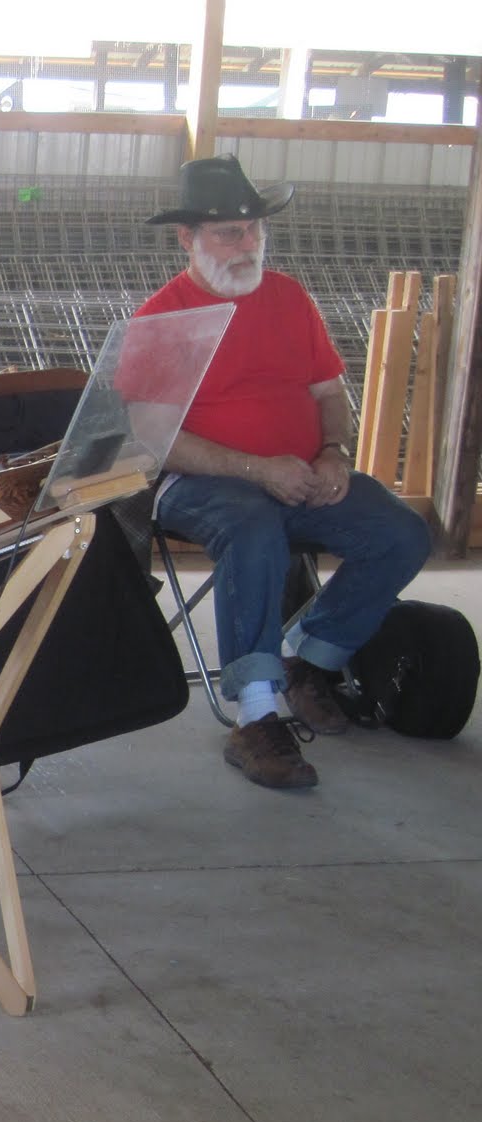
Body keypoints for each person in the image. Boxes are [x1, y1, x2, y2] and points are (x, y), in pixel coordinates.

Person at [136, 156, 430, 789]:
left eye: (254, 230)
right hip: (199, 483)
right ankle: (257, 714)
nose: (247, 245)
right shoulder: (163, 317)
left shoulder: (290, 297)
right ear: (186, 238)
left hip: (298, 474)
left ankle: (308, 660)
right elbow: (153, 438)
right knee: (253, 528)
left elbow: (330, 393)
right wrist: (255, 468)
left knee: (401, 531)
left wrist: (334, 453)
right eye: (228, 233)